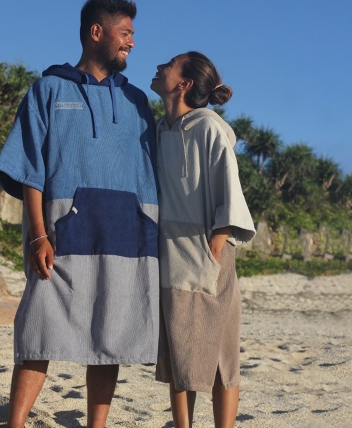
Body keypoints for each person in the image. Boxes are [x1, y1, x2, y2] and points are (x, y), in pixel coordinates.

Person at [0, 0, 159, 428]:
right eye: (125, 33)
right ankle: (15, 423)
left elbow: (155, 175)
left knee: (110, 335)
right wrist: (37, 235)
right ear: (96, 32)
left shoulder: (138, 102)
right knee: (38, 329)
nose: (132, 42)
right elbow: (30, 169)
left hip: (125, 237)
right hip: (61, 237)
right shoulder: (48, 90)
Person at [150, 51, 256, 428]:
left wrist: (213, 249)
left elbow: (230, 193)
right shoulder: (158, 130)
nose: (159, 66)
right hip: (171, 255)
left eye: (169, 64)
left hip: (208, 253)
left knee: (222, 356)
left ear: (184, 83)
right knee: (180, 354)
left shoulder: (209, 127)